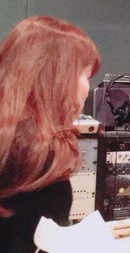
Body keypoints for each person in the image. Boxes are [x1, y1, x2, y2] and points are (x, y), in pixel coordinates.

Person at [0, 16, 100, 253]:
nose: (87, 89)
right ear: (57, 78)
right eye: (85, 76)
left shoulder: (11, 138)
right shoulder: (37, 154)